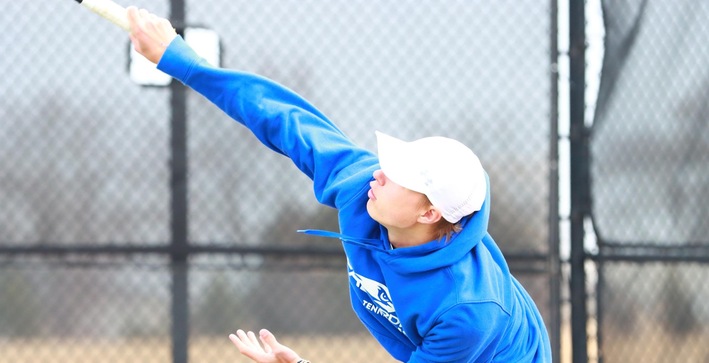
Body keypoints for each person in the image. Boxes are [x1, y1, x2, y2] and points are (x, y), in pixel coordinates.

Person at [126, 7, 552, 363]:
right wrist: (180, 59)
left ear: (429, 213)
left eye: (398, 176)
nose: (380, 173)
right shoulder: (362, 188)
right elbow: (282, 118)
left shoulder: (466, 310)